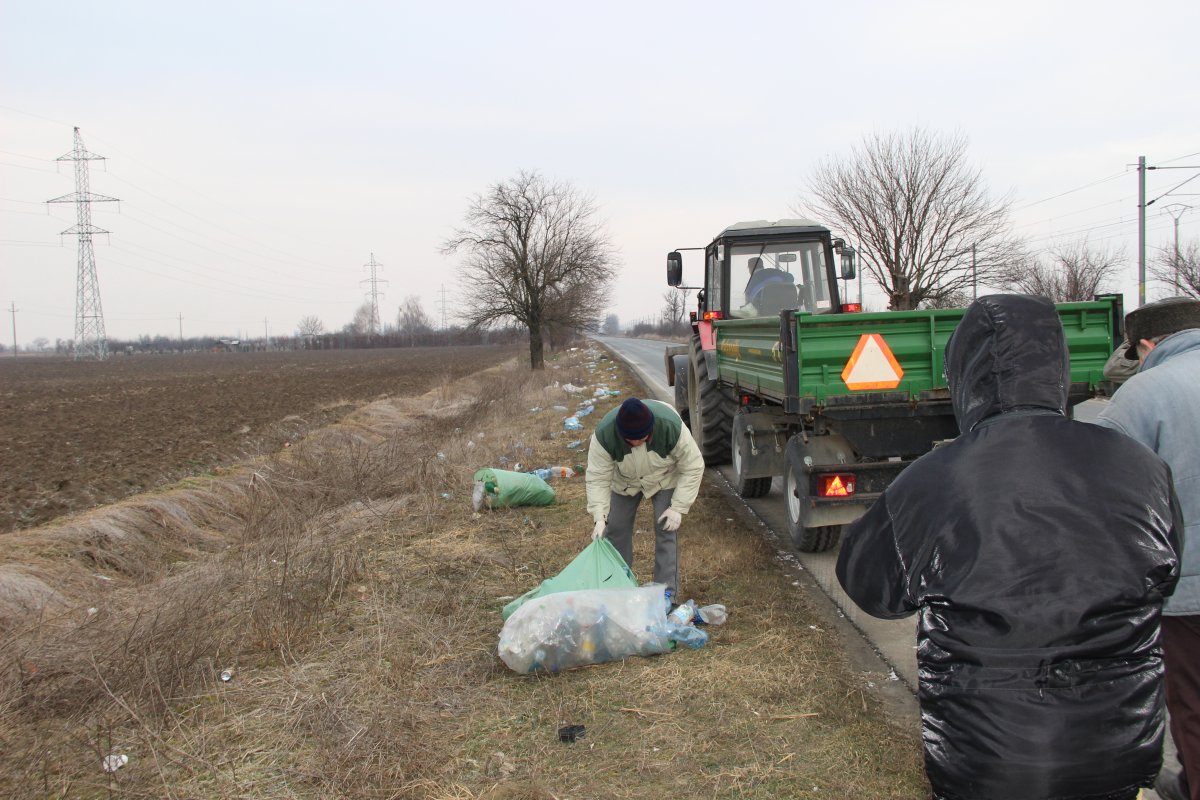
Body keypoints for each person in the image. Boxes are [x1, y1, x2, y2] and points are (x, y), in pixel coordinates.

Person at [835, 294, 1182, 800]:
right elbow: (1166, 569)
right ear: (1056, 366)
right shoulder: (1138, 463)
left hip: (984, 758)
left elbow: (871, 588)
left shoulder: (933, 480)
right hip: (1119, 747)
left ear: (965, 374)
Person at [1094, 296, 1200, 800]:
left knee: (1194, 707)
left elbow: (1104, 497)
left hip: (1188, 595)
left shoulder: (1144, 395)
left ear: (1147, 344)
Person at [586, 397, 704, 598]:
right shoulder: (604, 435)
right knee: (615, 529)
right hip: (624, 482)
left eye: (642, 438)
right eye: (630, 440)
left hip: (664, 477)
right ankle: (618, 588)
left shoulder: (670, 426)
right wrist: (599, 517)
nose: (636, 443)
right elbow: (598, 477)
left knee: (666, 528)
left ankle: (667, 594)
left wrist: (678, 507)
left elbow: (693, 465)